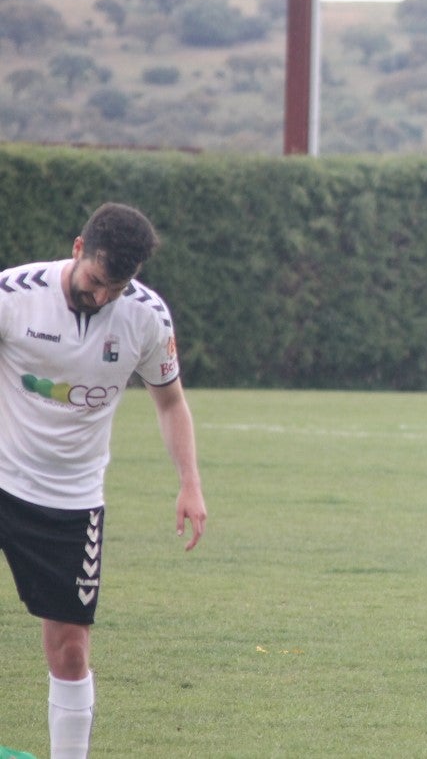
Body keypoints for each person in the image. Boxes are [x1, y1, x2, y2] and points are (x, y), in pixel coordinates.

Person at [0, 202, 207, 758]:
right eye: (94, 281)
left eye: (114, 288)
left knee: (68, 649)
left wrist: (190, 483)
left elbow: (170, 404)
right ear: (76, 249)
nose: (100, 297)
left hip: (71, 499)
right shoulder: (13, 295)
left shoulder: (146, 317)